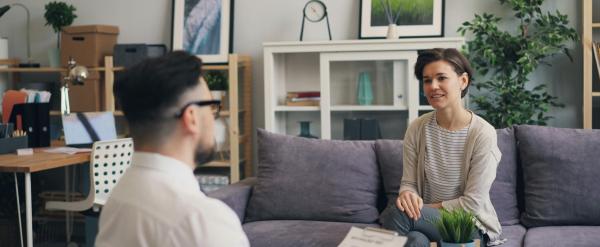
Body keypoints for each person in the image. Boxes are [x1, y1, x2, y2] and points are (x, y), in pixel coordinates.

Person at [95, 51, 249, 247]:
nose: (213, 117)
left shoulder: (118, 197)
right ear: (191, 117)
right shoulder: (203, 221)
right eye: (211, 107)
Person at [379, 48, 506, 246]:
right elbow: (409, 182)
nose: (433, 86)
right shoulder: (417, 128)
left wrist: (418, 210)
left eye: (441, 78)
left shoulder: (482, 133)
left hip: (469, 225)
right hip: (425, 222)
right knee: (414, 241)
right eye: (427, 80)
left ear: (463, 81)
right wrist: (407, 195)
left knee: (398, 214)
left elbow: (471, 204)